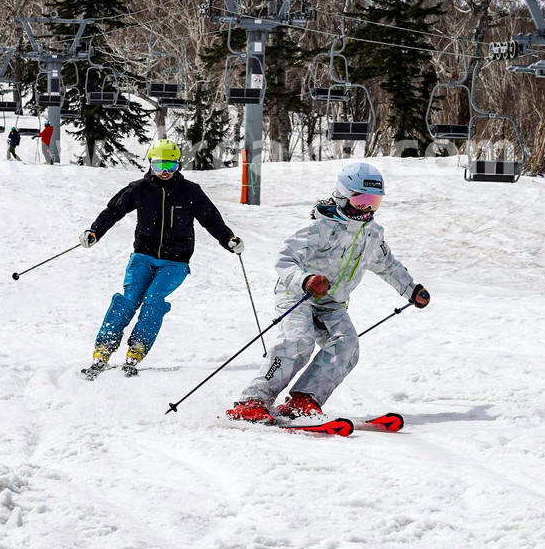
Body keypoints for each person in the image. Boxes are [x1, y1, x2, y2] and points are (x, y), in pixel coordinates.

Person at [226, 162, 431, 424]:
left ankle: (305, 399)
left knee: (346, 345)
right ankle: (252, 400)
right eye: (361, 200)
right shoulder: (320, 229)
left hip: (333, 304)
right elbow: (286, 260)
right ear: (343, 196)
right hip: (298, 296)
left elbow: (388, 265)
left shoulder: (372, 234)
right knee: (299, 341)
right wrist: (306, 279)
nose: (367, 208)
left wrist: (411, 289)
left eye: (374, 201)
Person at [79, 140, 244, 379]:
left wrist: (229, 239)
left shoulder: (191, 191)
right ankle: (104, 348)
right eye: (159, 165)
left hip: (176, 261)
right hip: (143, 256)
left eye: (170, 165)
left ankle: (137, 348)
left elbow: (210, 219)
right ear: (150, 165)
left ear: (178, 165)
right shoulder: (138, 189)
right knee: (129, 299)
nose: (165, 172)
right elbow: (113, 211)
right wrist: (94, 231)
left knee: (154, 299)